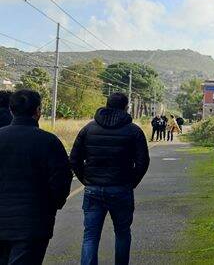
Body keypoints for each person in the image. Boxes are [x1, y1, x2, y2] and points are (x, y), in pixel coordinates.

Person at [69, 93, 150, 265]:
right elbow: (143, 161)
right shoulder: (134, 131)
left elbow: (74, 159)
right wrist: (131, 182)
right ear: (126, 107)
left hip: (93, 188)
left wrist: (86, 179)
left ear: (106, 105)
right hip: (121, 188)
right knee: (122, 232)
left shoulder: (89, 129)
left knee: (90, 235)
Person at [0, 90, 72, 264]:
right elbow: (61, 179)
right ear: (38, 111)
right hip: (33, 222)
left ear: (11, 110)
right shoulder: (48, 141)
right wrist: (54, 204)